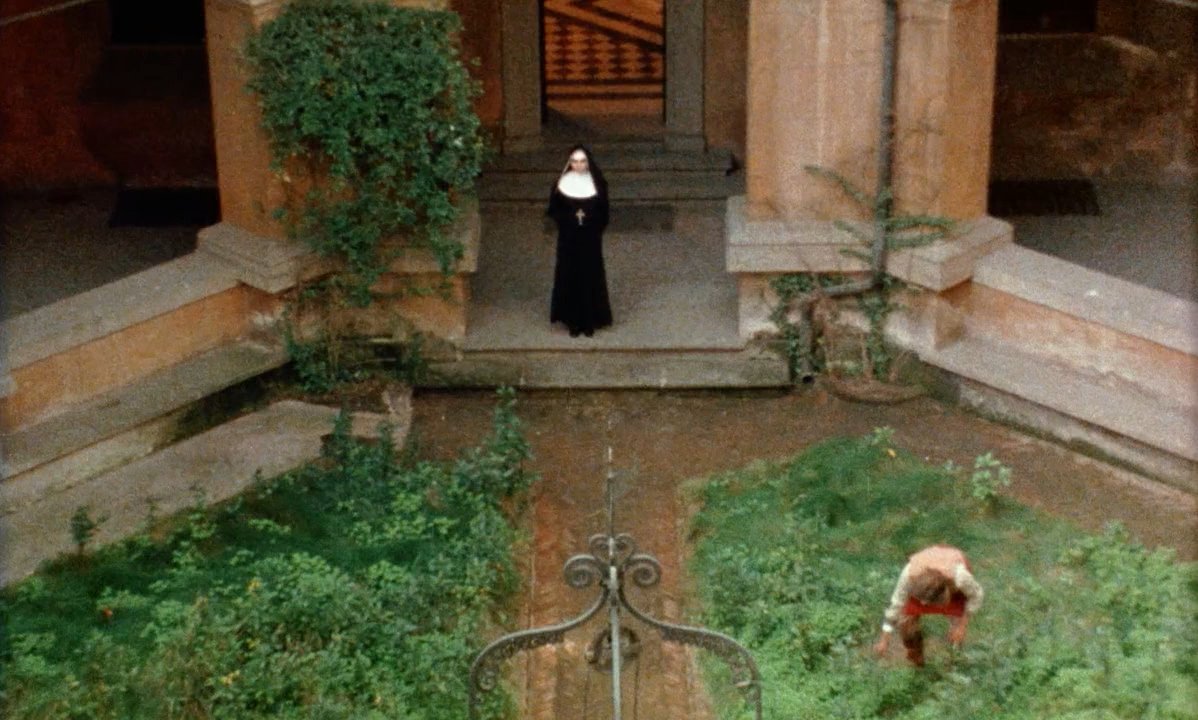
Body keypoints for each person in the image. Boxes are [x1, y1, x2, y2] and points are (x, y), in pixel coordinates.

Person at [873, 544, 983, 666]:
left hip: (950, 583)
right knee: (906, 624)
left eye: (929, 603)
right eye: (922, 601)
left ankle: (954, 657)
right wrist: (884, 640)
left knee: (957, 629)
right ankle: (916, 656)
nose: (924, 605)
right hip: (922, 588)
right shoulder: (909, 576)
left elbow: (976, 595)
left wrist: (962, 625)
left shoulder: (960, 578)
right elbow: (895, 606)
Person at [548, 145, 613, 337]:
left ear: (588, 162)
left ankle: (590, 321)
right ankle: (573, 322)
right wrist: (568, 222)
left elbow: (604, 212)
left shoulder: (598, 184)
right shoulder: (561, 184)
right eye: (574, 161)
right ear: (570, 163)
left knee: (590, 277)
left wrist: (593, 226)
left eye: (582, 161)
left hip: (590, 241)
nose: (578, 165)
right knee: (570, 276)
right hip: (568, 241)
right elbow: (554, 210)